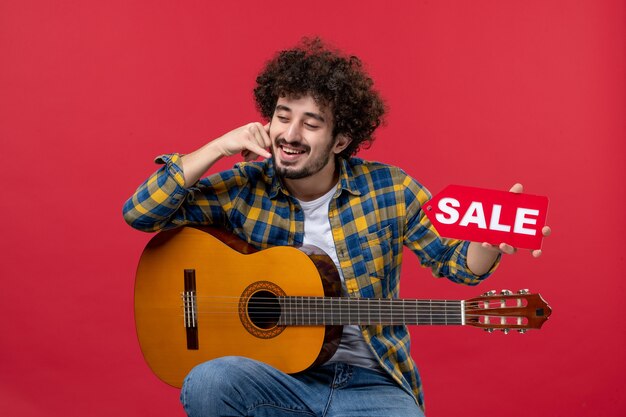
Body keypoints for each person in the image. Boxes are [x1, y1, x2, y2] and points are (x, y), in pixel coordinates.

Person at [123, 37, 550, 417]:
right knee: (209, 381)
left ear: (341, 140)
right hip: (275, 378)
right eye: (282, 116)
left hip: (371, 385)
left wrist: (488, 244)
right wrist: (217, 148)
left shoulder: (390, 189)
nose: (289, 134)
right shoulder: (243, 188)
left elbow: (456, 262)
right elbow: (141, 212)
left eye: (311, 123)